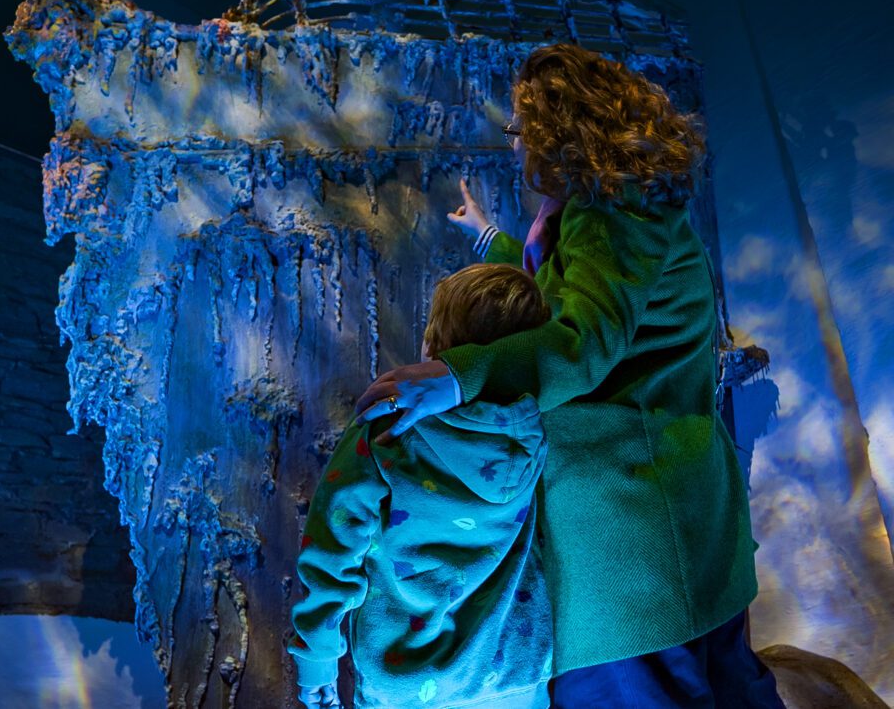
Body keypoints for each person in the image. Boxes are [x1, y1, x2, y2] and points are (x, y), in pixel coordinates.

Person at [356, 43, 785, 708]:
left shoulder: (610, 208)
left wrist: (454, 377)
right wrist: (495, 240)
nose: (519, 146)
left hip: (629, 547)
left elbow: (582, 339)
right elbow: (572, 299)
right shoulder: (624, 209)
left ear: (561, 127)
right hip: (674, 523)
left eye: (523, 129)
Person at [290, 264, 556, 709]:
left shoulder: (387, 433)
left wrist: (317, 658)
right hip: (515, 673)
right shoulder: (537, 435)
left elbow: (329, 551)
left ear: (433, 347)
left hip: (406, 681)